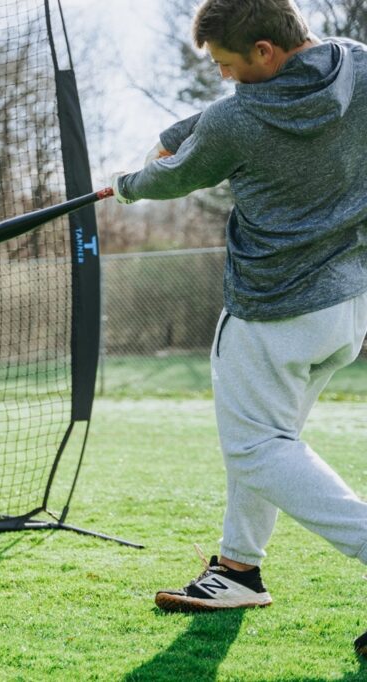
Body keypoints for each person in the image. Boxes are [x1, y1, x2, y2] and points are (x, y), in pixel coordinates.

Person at [110, 0, 367, 655]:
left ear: (263, 52)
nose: (224, 79)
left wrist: (127, 183)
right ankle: (237, 569)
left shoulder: (237, 118)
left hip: (270, 312)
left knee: (257, 449)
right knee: (272, 443)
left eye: (228, 65)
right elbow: (216, 120)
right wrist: (183, 123)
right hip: (345, 308)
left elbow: (175, 175)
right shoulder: (360, 68)